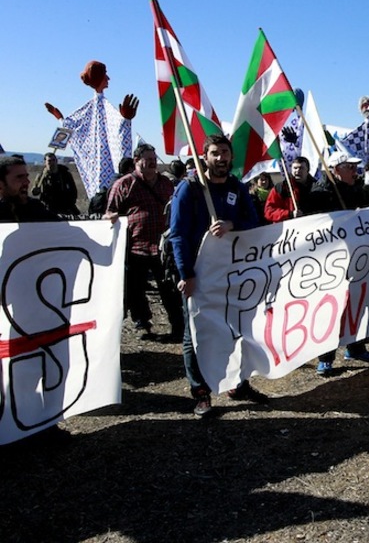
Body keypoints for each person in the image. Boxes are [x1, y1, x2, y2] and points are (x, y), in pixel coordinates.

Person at [168, 134, 267, 416]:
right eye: (215, 153)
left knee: (238, 329)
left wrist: (231, 223)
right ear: (205, 156)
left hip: (233, 274)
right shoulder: (190, 189)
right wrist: (186, 273)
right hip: (199, 275)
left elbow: (253, 222)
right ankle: (201, 392)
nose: (221, 158)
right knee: (196, 333)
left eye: (225, 153)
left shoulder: (238, 187)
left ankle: (238, 383)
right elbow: (178, 235)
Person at [308, 151, 369, 375]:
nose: (355, 171)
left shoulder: (355, 189)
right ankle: (325, 357)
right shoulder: (320, 193)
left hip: (356, 257)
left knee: (357, 303)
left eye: (355, 167)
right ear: (336, 170)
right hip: (331, 262)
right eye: (349, 167)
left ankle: (355, 347)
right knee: (332, 309)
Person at [106, 143, 184, 340]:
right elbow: (109, 213)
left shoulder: (166, 184)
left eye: (153, 159)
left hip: (162, 249)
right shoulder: (123, 185)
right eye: (147, 159)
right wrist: (112, 218)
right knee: (135, 290)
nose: (152, 163)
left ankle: (178, 328)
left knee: (169, 290)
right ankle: (142, 324)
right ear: (136, 161)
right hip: (135, 249)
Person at [44, 60, 138, 199]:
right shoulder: (93, 110)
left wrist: (125, 120)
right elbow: (73, 128)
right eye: (105, 74)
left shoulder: (105, 109)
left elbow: (117, 129)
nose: (108, 78)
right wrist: (61, 120)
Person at [0, 156, 60, 222]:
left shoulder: (35, 208)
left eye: (26, 176)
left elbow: (57, 221)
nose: (27, 182)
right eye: (19, 177)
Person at [264, 157, 315, 223]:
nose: (297, 171)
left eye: (301, 168)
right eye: (295, 168)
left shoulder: (317, 187)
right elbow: (269, 212)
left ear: (308, 170)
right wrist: (289, 214)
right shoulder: (281, 188)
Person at [31, 153, 80, 217]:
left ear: (56, 161)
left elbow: (73, 190)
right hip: (49, 207)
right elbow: (34, 192)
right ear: (45, 162)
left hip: (65, 206)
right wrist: (36, 190)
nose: (52, 163)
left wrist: (70, 202)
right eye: (49, 161)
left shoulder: (65, 174)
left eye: (53, 160)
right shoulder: (41, 176)